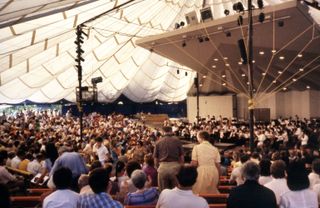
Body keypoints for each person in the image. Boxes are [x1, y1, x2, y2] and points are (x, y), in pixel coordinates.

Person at [153, 126, 184, 191]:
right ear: (171, 131)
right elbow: (181, 156)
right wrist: (181, 167)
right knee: (176, 193)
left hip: (163, 168)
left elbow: (155, 158)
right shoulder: (177, 140)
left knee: (163, 193)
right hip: (175, 167)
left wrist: (157, 167)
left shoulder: (158, 141)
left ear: (163, 132)